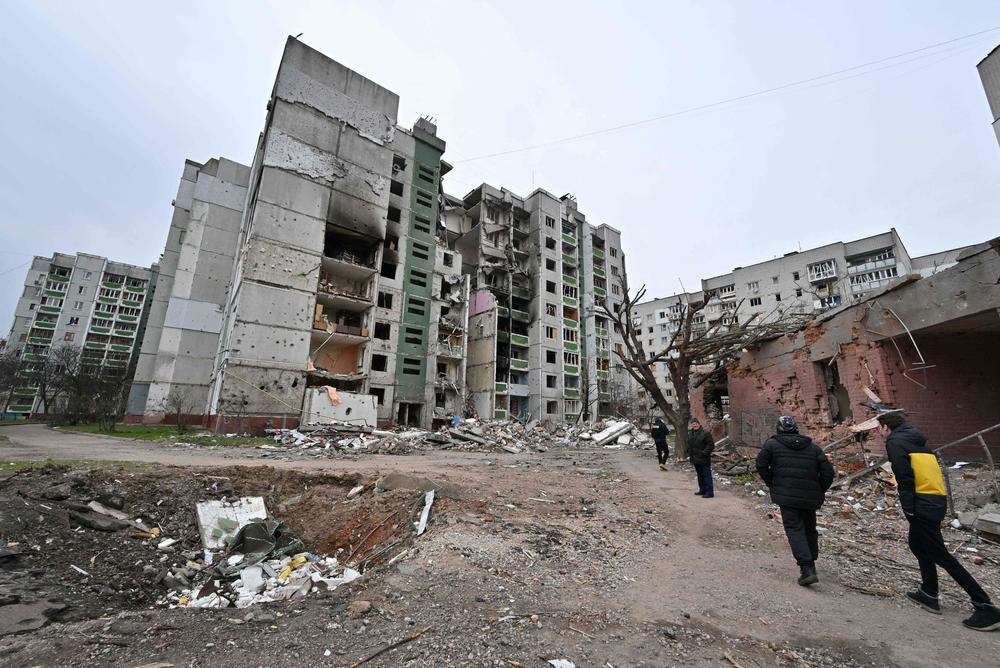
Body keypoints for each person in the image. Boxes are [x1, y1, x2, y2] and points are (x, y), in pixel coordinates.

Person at [878, 411, 1000, 632]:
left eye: (879, 428)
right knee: (917, 545)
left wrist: (908, 508)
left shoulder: (895, 442)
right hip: (935, 500)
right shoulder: (917, 441)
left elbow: (905, 477)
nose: (879, 432)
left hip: (921, 503)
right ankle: (928, 593)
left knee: (940, 554)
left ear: (886, 427)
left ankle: (985, 606)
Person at [756, 415, 834, 586]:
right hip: (809, 496)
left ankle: (806, 568)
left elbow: (761, 465)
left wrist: (772, 482)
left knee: (794, 528)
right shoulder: (813, 448)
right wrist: (819, 489)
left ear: (778, 429)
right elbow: (828, 472)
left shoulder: (772, 445)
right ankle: (811, 562)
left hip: (786, 495)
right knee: (809, 528)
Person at [688, 418, 715, 498]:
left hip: (704, 458)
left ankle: (709, 492)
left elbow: (711, 445)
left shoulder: (705, 433)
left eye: (696, 423)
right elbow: (689, 443)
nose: (694, 425)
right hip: (695, 458)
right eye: (693, 424)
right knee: (700, 475)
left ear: (699, 424)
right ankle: (702, 490)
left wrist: (704, 453)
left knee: (706, 475)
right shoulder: (691, 433)